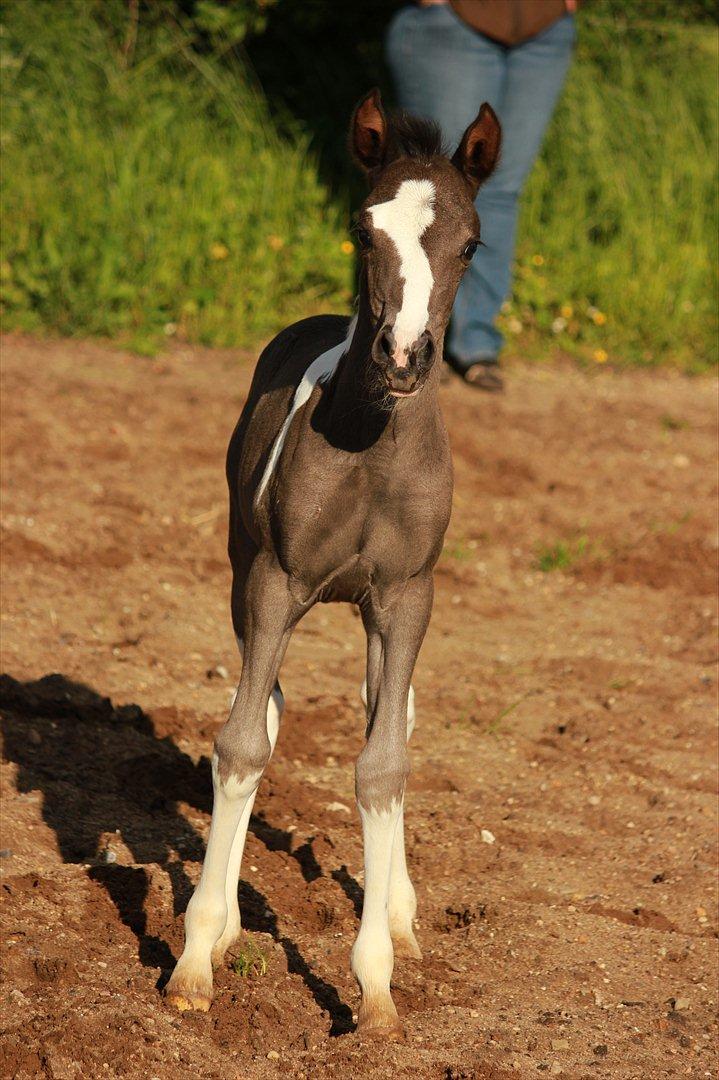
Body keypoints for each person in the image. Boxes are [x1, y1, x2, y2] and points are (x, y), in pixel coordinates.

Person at [386, 0, 577, 391]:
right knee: (431, 187)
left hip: (545, 26)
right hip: (452, 22)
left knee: (501, 190)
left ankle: (474, 341)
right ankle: (409, 340)